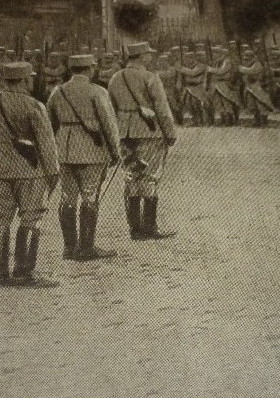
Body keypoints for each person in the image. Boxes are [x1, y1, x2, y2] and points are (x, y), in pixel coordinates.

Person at [0, 62, 60, 288]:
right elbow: (46, 144)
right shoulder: (34, 106)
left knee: (0, 215)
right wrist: (52, 172)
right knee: (31, 217)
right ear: (24, 80)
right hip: (28, 169)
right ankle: (23, 272)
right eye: (30, 78)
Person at [46, 54, 122, 261]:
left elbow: (49, 123)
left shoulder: (58, 91)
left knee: (67, 197)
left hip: (63, 149)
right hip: (91, 149)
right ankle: (86, 248)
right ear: (89, 69)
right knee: (90, 196)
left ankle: (69, 248)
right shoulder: (97, 91)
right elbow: (108, 123)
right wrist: (115, 151)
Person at [107, 41, 177, 240]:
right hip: (149, 131)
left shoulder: (115, 78)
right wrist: (170, 133)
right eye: (148, 54)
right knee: (150, 177)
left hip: (124, 133)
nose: (151, 57)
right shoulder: (150, 77)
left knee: (131, 176)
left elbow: (110, 108)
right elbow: (162, 110)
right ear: (141, 57)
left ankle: (134, 229)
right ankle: (149, 227)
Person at [238, 47, 274, 127]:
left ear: (252, 56)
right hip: (249, 88)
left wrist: (240, 68)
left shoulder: (257, 64)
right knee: (252, 105)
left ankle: (264, 122)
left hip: (259, 87)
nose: (246, 58)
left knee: (261, 105)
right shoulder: (246, 64)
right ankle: (257, 121)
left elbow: (251, 71)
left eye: (248, 56)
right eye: (245, 56)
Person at [206, 46, 240, 126]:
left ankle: (230, 120)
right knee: (218, 103)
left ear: (222, 53)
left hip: (224, 84)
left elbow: (222, 71)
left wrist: (210, 69)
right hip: (215, 85)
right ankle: (224, 119)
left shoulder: (227, 61)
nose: (214, 54)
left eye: (216, 52)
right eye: (214, 52)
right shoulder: (215, 62)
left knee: (226, 102)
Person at [178, 50, 208, 126]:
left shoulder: (201, 65)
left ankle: (201, 120)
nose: (187, 60)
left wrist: (182, 69)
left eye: (189, 58)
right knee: (189, 104)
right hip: (188, 88)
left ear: (193, 58)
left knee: (197, 104)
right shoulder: (186, 66)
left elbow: (193, 73)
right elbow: (182, 78)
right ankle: (194, 121)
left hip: (198, 88)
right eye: (186, 58)